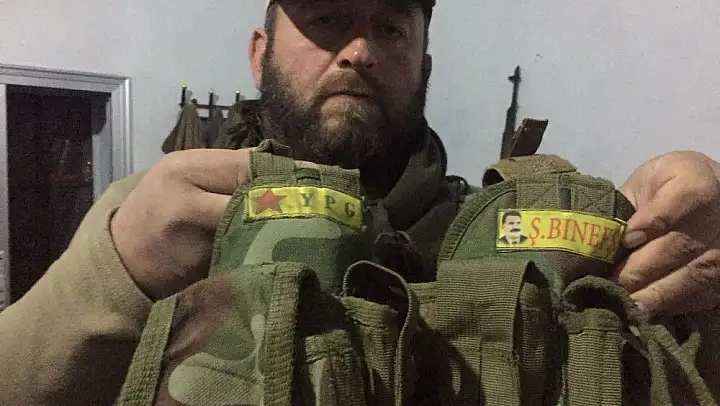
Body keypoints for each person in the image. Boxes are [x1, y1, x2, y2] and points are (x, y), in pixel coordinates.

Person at [2, 0, 720, 404]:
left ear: (423, 65)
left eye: (390, 28)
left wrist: (698, 259)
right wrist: (116, 275)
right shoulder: (157, 214)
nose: (358, 51)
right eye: (325, 17)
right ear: (259, 53)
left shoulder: (502, 236)